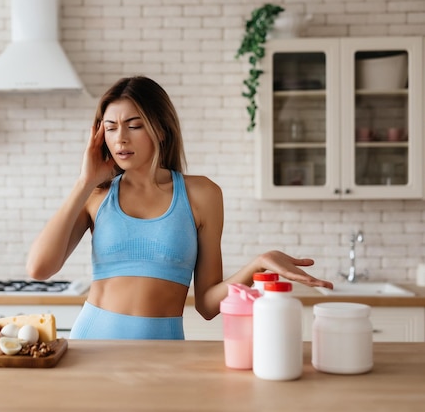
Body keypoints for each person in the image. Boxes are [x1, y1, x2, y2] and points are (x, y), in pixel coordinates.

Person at [26, 76, 333, 340]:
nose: (120, 138)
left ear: (160, 129)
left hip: (163, 353)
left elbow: (208, 305)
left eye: (134, 126)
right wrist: (84, 181)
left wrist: (259, 264)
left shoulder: (202, 195)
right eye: (110, 128)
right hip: (92, 344)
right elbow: (39, 269)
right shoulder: (96, 195)